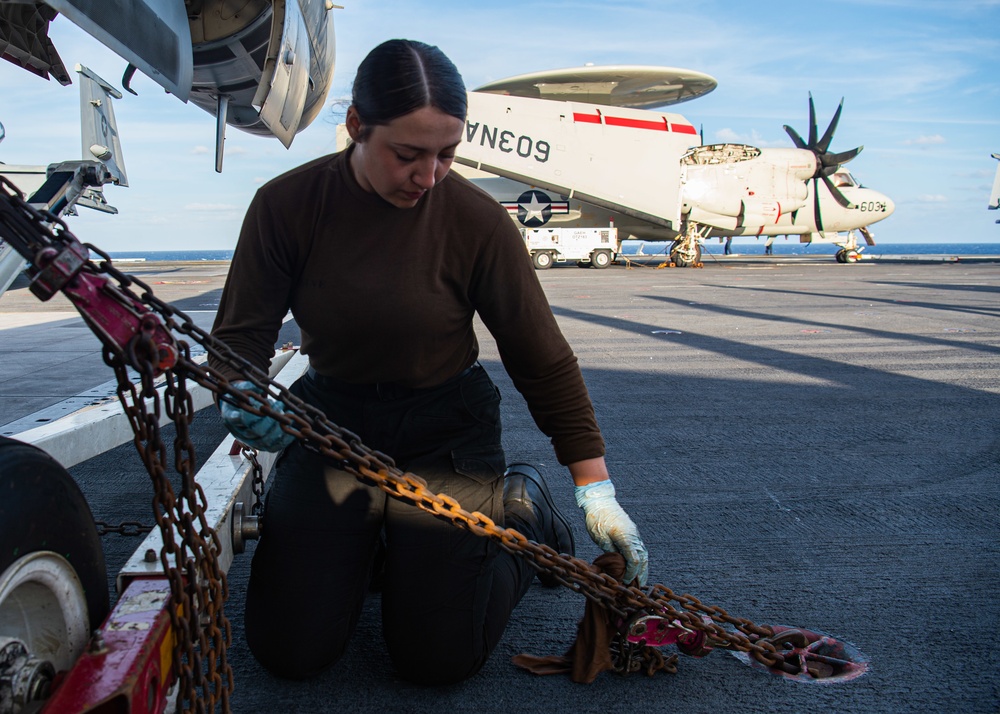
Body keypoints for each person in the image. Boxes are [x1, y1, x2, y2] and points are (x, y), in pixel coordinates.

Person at [210, 38, 648, 686]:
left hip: (445, 431)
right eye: (408, 154)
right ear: (356, 127)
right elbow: (239, 339)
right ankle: (387, 551)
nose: (429, 175)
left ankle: (522, 511)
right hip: (333, 424)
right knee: (289, 651)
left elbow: (541, 359)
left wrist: (595, 486)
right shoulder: (286, 207)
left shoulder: (475, 222)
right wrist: (242, 396)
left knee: (437, 660)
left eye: (447, 154)